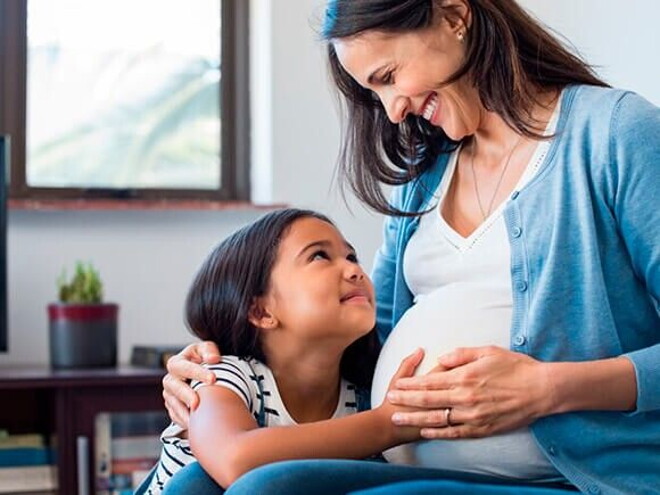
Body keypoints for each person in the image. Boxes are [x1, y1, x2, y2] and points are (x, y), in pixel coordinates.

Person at [161, 0, 660, 494]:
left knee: (266, 489)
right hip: (407, 463)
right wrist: (219, 368)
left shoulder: (613, 134)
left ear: (454, 16)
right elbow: (367, 340)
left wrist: (546, 389)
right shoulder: (424, 177)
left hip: (569, 475)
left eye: (389, 76)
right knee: (194, 484)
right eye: (373, 93)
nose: (393, 110)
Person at [143, 208, 429, 494]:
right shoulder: (223, 377)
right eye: (319, 256)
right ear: (261, 311)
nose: (355, 271)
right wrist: (387, 424)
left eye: (352, 257)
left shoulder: (362, 394)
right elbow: (235, 460)